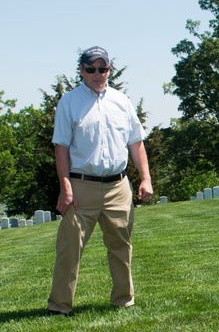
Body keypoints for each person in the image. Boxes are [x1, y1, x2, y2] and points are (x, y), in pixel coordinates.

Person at [47, 46, 153, 316]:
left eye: (102, 68)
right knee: (70, 248)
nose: (97, 74)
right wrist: (65, 186)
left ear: (109, 70)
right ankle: (59, 307)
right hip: (81, 186)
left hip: (119, 186)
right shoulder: (69, 103)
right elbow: (61, 148)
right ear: (81, 70)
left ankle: (124, 300)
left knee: (121, 246)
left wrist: (145, 179)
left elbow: (136, 143)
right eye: (91, 69)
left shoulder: (121, 101)